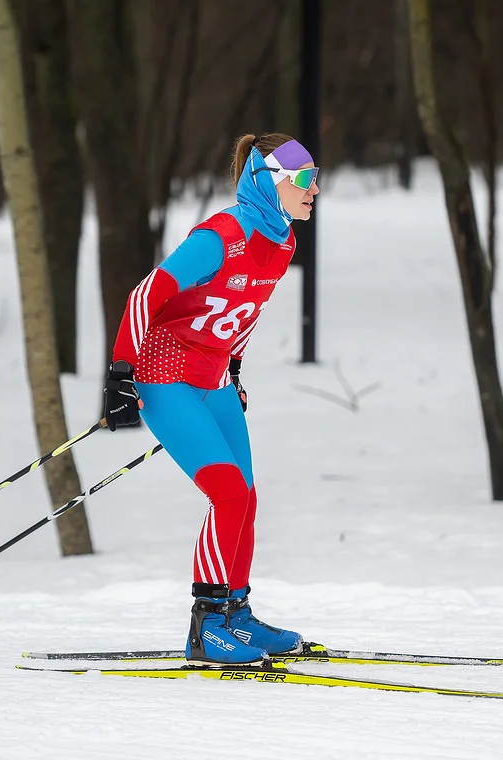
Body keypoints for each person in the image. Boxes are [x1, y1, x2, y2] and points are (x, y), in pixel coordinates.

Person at [102, 133, 320, 665]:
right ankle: (206, 625)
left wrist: (237, 368)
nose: (314, 189)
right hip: (165, 375)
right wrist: (120, 375)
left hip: (215, 379)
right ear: (268, 181)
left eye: (317, 178)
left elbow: (244, 311)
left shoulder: (283, 241)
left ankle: (237, 614)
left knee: (246, 497)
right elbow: (146, 294)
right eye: (304, 179)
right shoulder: (222, 235)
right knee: (226, 493)